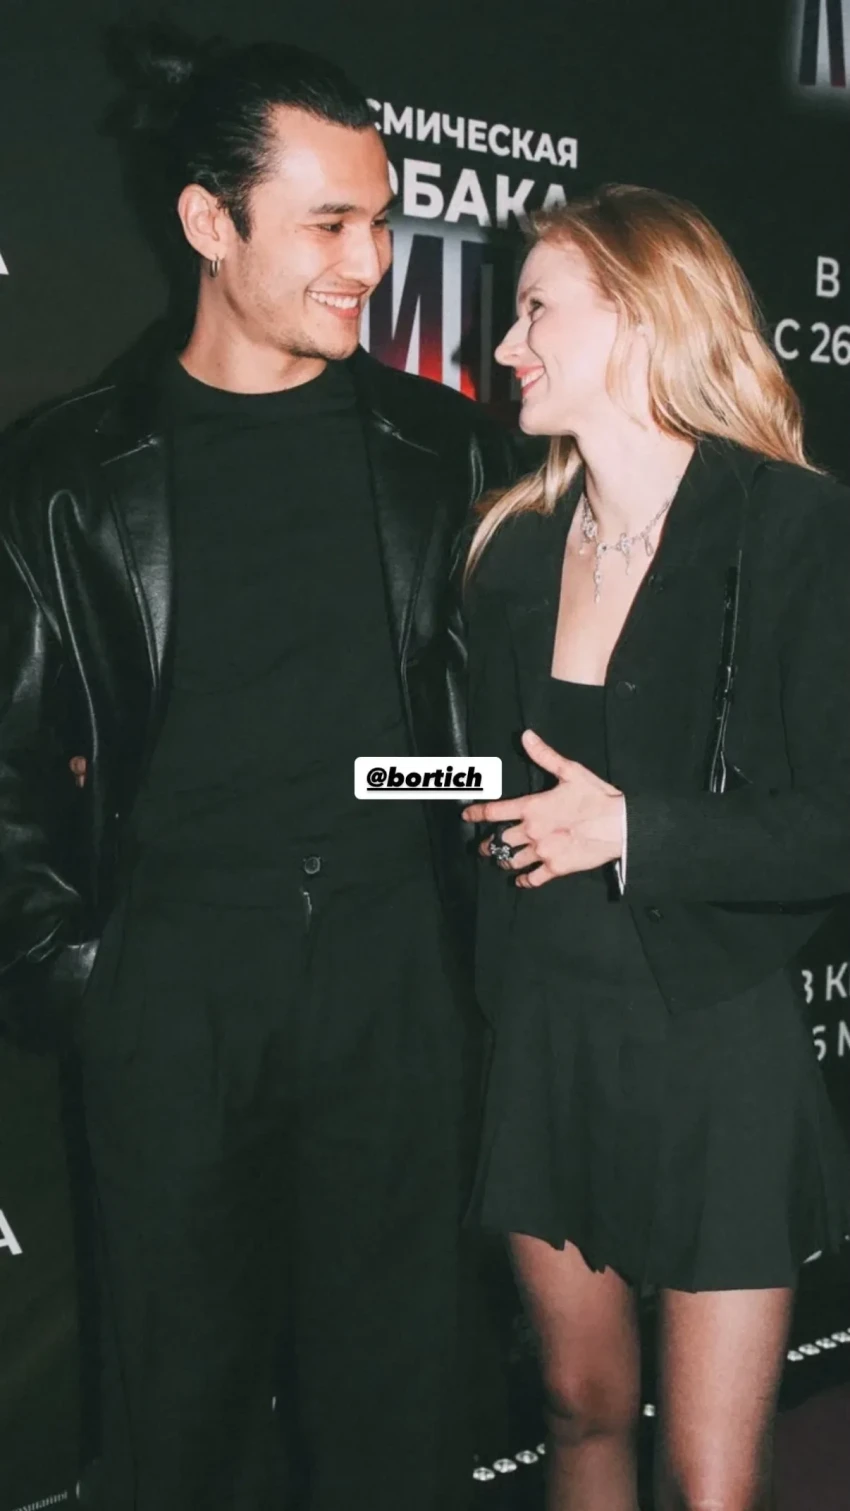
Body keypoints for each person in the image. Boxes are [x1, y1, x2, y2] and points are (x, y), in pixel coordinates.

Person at [0, 24, 514, 1511]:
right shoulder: (65, 478)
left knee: (397, 1417)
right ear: (207, 223)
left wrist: (409, 818)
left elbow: (457, 755)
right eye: (329, 224)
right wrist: (86, 980)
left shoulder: (445, 452)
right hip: (172, 991)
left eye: (382, 221)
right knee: (178, 1429)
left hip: (395, 989)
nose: (372, 261)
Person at [460, 185, 850, 1511]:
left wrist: (634, 827)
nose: (505, 344)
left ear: (637, 317)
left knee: (710, 1479)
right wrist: (384, 784)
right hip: (542, 1035)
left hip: (712, 1051)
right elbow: (480, 777)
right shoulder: (512, 548)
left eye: (536, 310)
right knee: (577, 1409)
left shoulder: (791, 530)